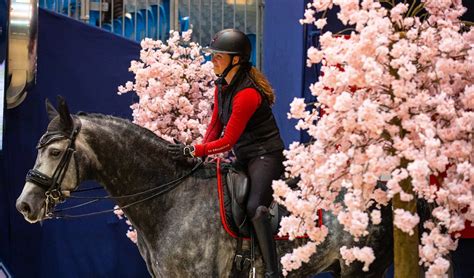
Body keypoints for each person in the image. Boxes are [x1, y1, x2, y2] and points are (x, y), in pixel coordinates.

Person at [167, 29, 285, 277]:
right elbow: (214, 127)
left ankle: (272, 271)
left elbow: (228, 141)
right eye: (213, 56)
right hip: (245, 157)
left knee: (255, 207)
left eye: (219, 57)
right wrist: (198, 156)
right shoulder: (222, 86)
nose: (213, 61)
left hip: (266, 156)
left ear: (236, 60)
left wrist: (196, 149)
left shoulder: (247, 94)